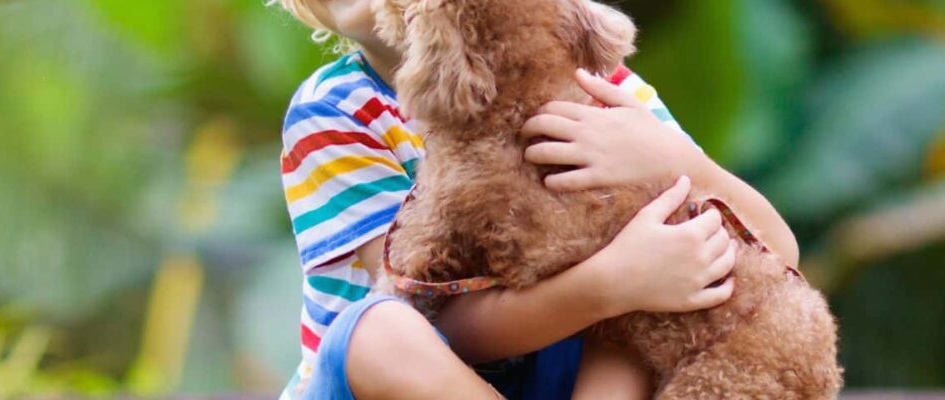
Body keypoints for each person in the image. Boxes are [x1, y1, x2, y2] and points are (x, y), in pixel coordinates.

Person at [270, 1, 803, 398]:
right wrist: (611, 283)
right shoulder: (335, 111)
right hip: (401, 384)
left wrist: (675, 162)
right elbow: (438, 317)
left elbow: (777, 253)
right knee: (379, 329)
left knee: (655, 299)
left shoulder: (591, 80)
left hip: (560, 375)